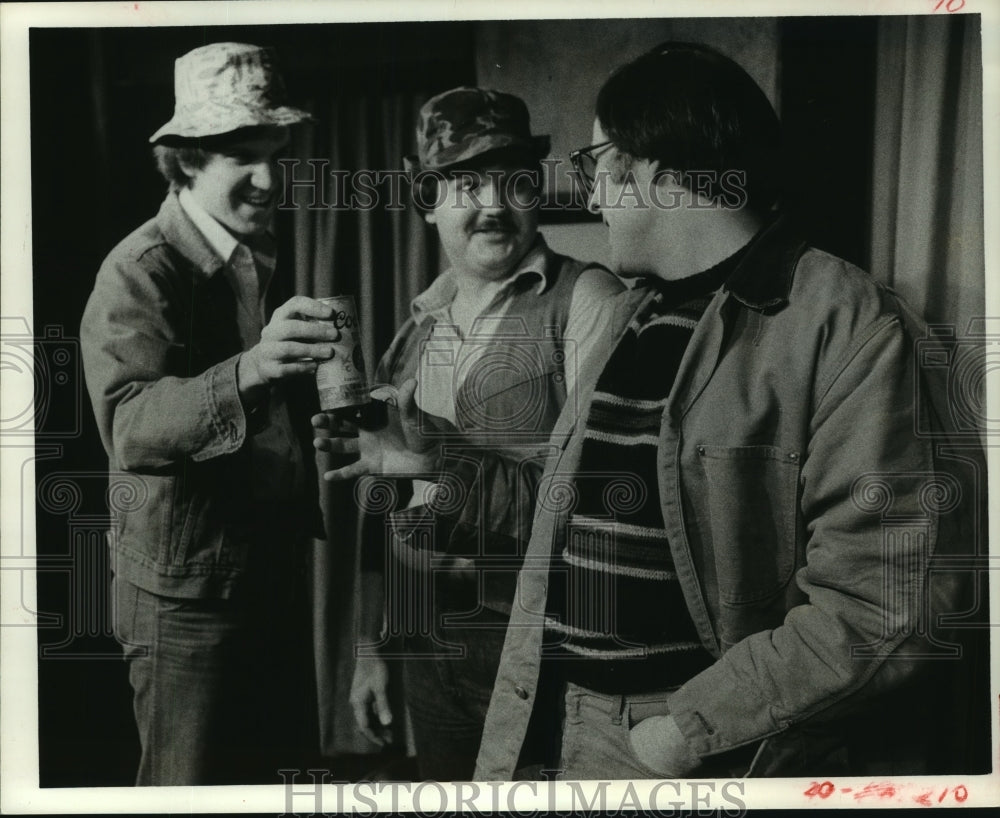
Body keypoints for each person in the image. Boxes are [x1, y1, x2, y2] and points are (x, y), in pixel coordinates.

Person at [470, 42, 986, 780]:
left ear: (643, 164)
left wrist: (681, 731)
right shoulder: (632, 316)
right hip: (551, 719)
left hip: (687, 745)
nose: (590, 198)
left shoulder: (847, 324)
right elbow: (577, 515)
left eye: (593, 165)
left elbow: (884, 606)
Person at [313, 86, 623, 780]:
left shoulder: (589, 301)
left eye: (513, 181)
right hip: (427, 640)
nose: (492, 204)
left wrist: (443, 462)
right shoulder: (418, 326)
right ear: (428, 200)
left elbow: (605, 497)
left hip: (537, 639)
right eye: (465, 183)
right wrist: (372, 647)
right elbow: (384, 502)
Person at [81, 42, 337, 785]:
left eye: (278, 153)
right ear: (187, 159)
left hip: (268, 573)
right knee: (185, 793)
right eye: (243, 158)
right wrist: (255, 368)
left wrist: (305, 424)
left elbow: (250, 409)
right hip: (184, 595)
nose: (268, 179)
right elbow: (131, 425)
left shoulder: (255, 250)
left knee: (277, 788)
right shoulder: (141, 267)